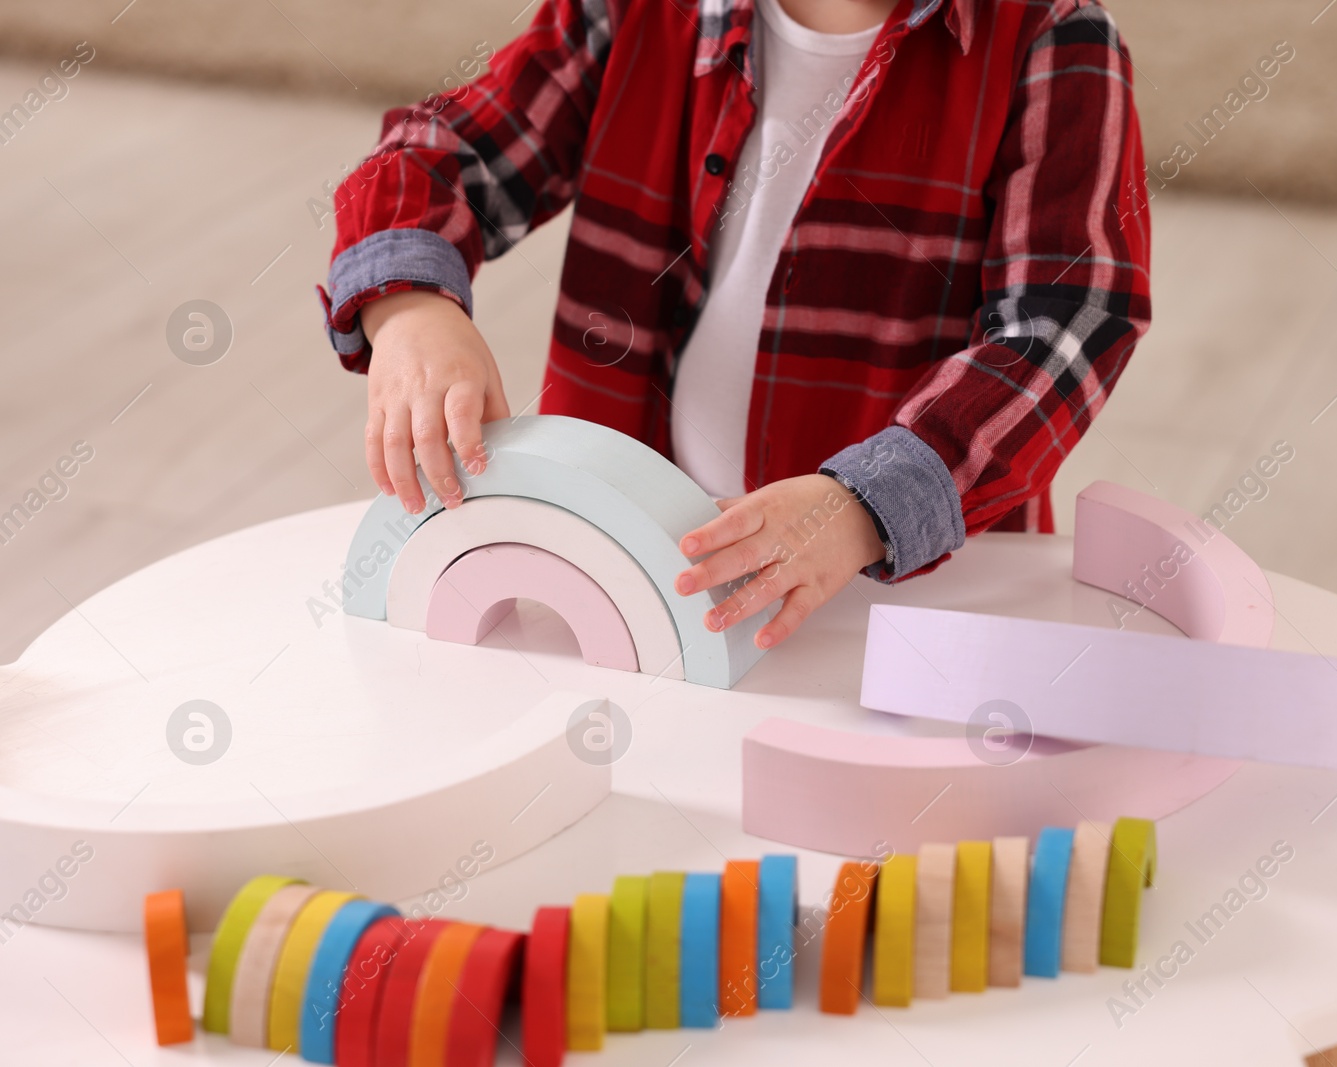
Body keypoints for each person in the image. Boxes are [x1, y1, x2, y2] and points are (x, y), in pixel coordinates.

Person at [319, 0, 1150, 651]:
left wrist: (861, 507)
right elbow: (438, 150)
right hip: (643, 580)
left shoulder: (1057, 38)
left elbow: (1066, 324)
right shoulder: (632, 10)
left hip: (907, 597)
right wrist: (411, 307)